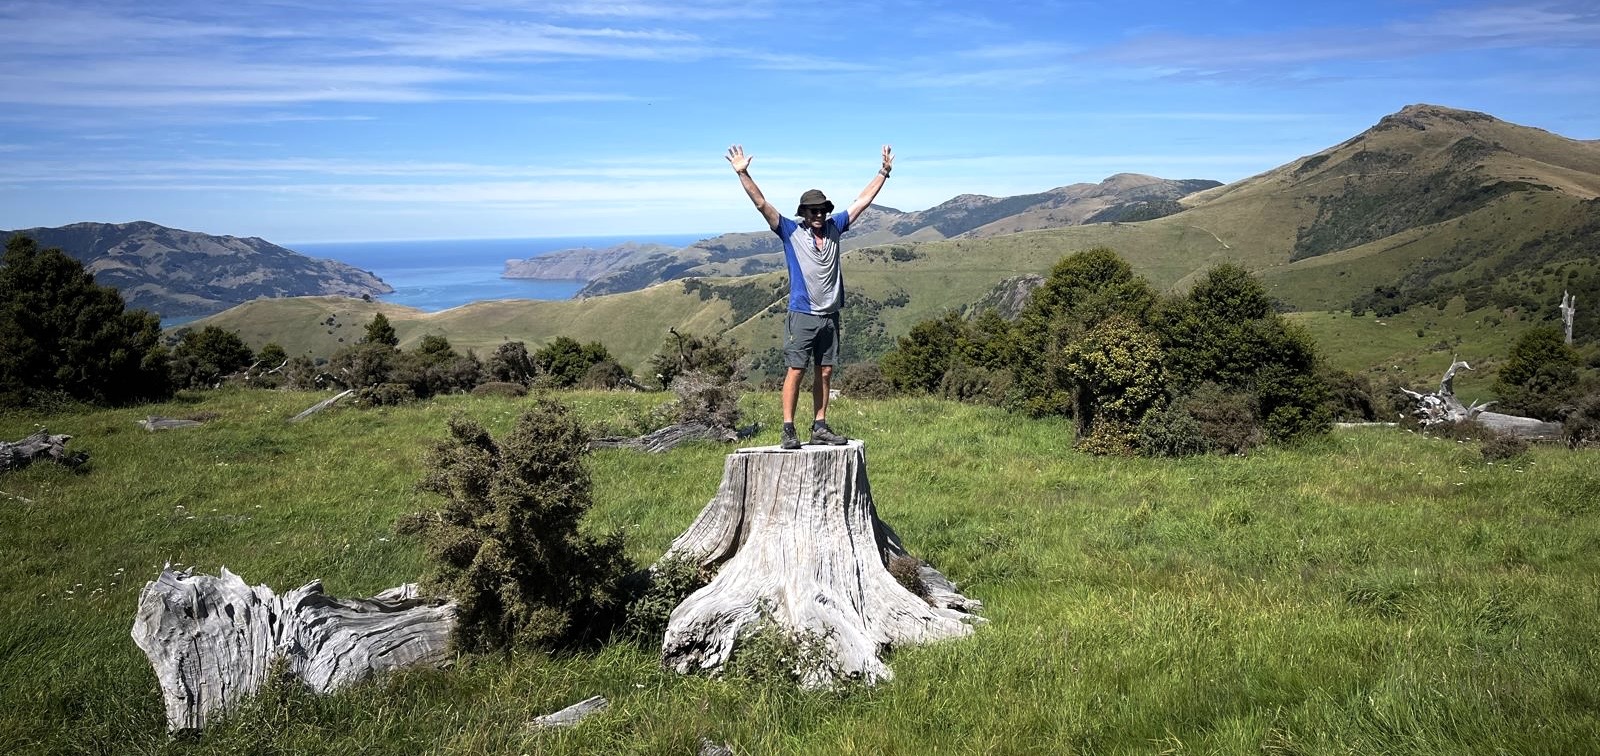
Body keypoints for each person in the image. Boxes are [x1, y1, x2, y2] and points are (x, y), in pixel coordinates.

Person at [726, 143, 894, 449]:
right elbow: (762, 204)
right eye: (812, 210)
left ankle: (819, 426)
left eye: (821, 209)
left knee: (826, 371)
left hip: (830, 315)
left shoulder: (835, 227)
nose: (818, 214)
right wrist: (743, 173)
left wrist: (883, 172)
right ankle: (788, 430)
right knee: (797, 369)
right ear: (803, 212)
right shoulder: (790, 231)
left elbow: (863, 201)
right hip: (802, 314)